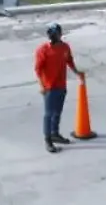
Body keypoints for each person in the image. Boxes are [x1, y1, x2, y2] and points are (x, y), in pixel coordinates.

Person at [34, 22, 85, 154]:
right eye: (52, 34)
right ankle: (48, 139)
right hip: (49, 87)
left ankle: (55, 133)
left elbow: (69, 61)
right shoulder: (43, 50)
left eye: (56, 33)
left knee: (57, 112)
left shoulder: (65, 47)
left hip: (61, 85)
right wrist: (42, 86)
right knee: (49, 114)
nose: (54, 36)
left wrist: (77, 72)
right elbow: (38, 69)